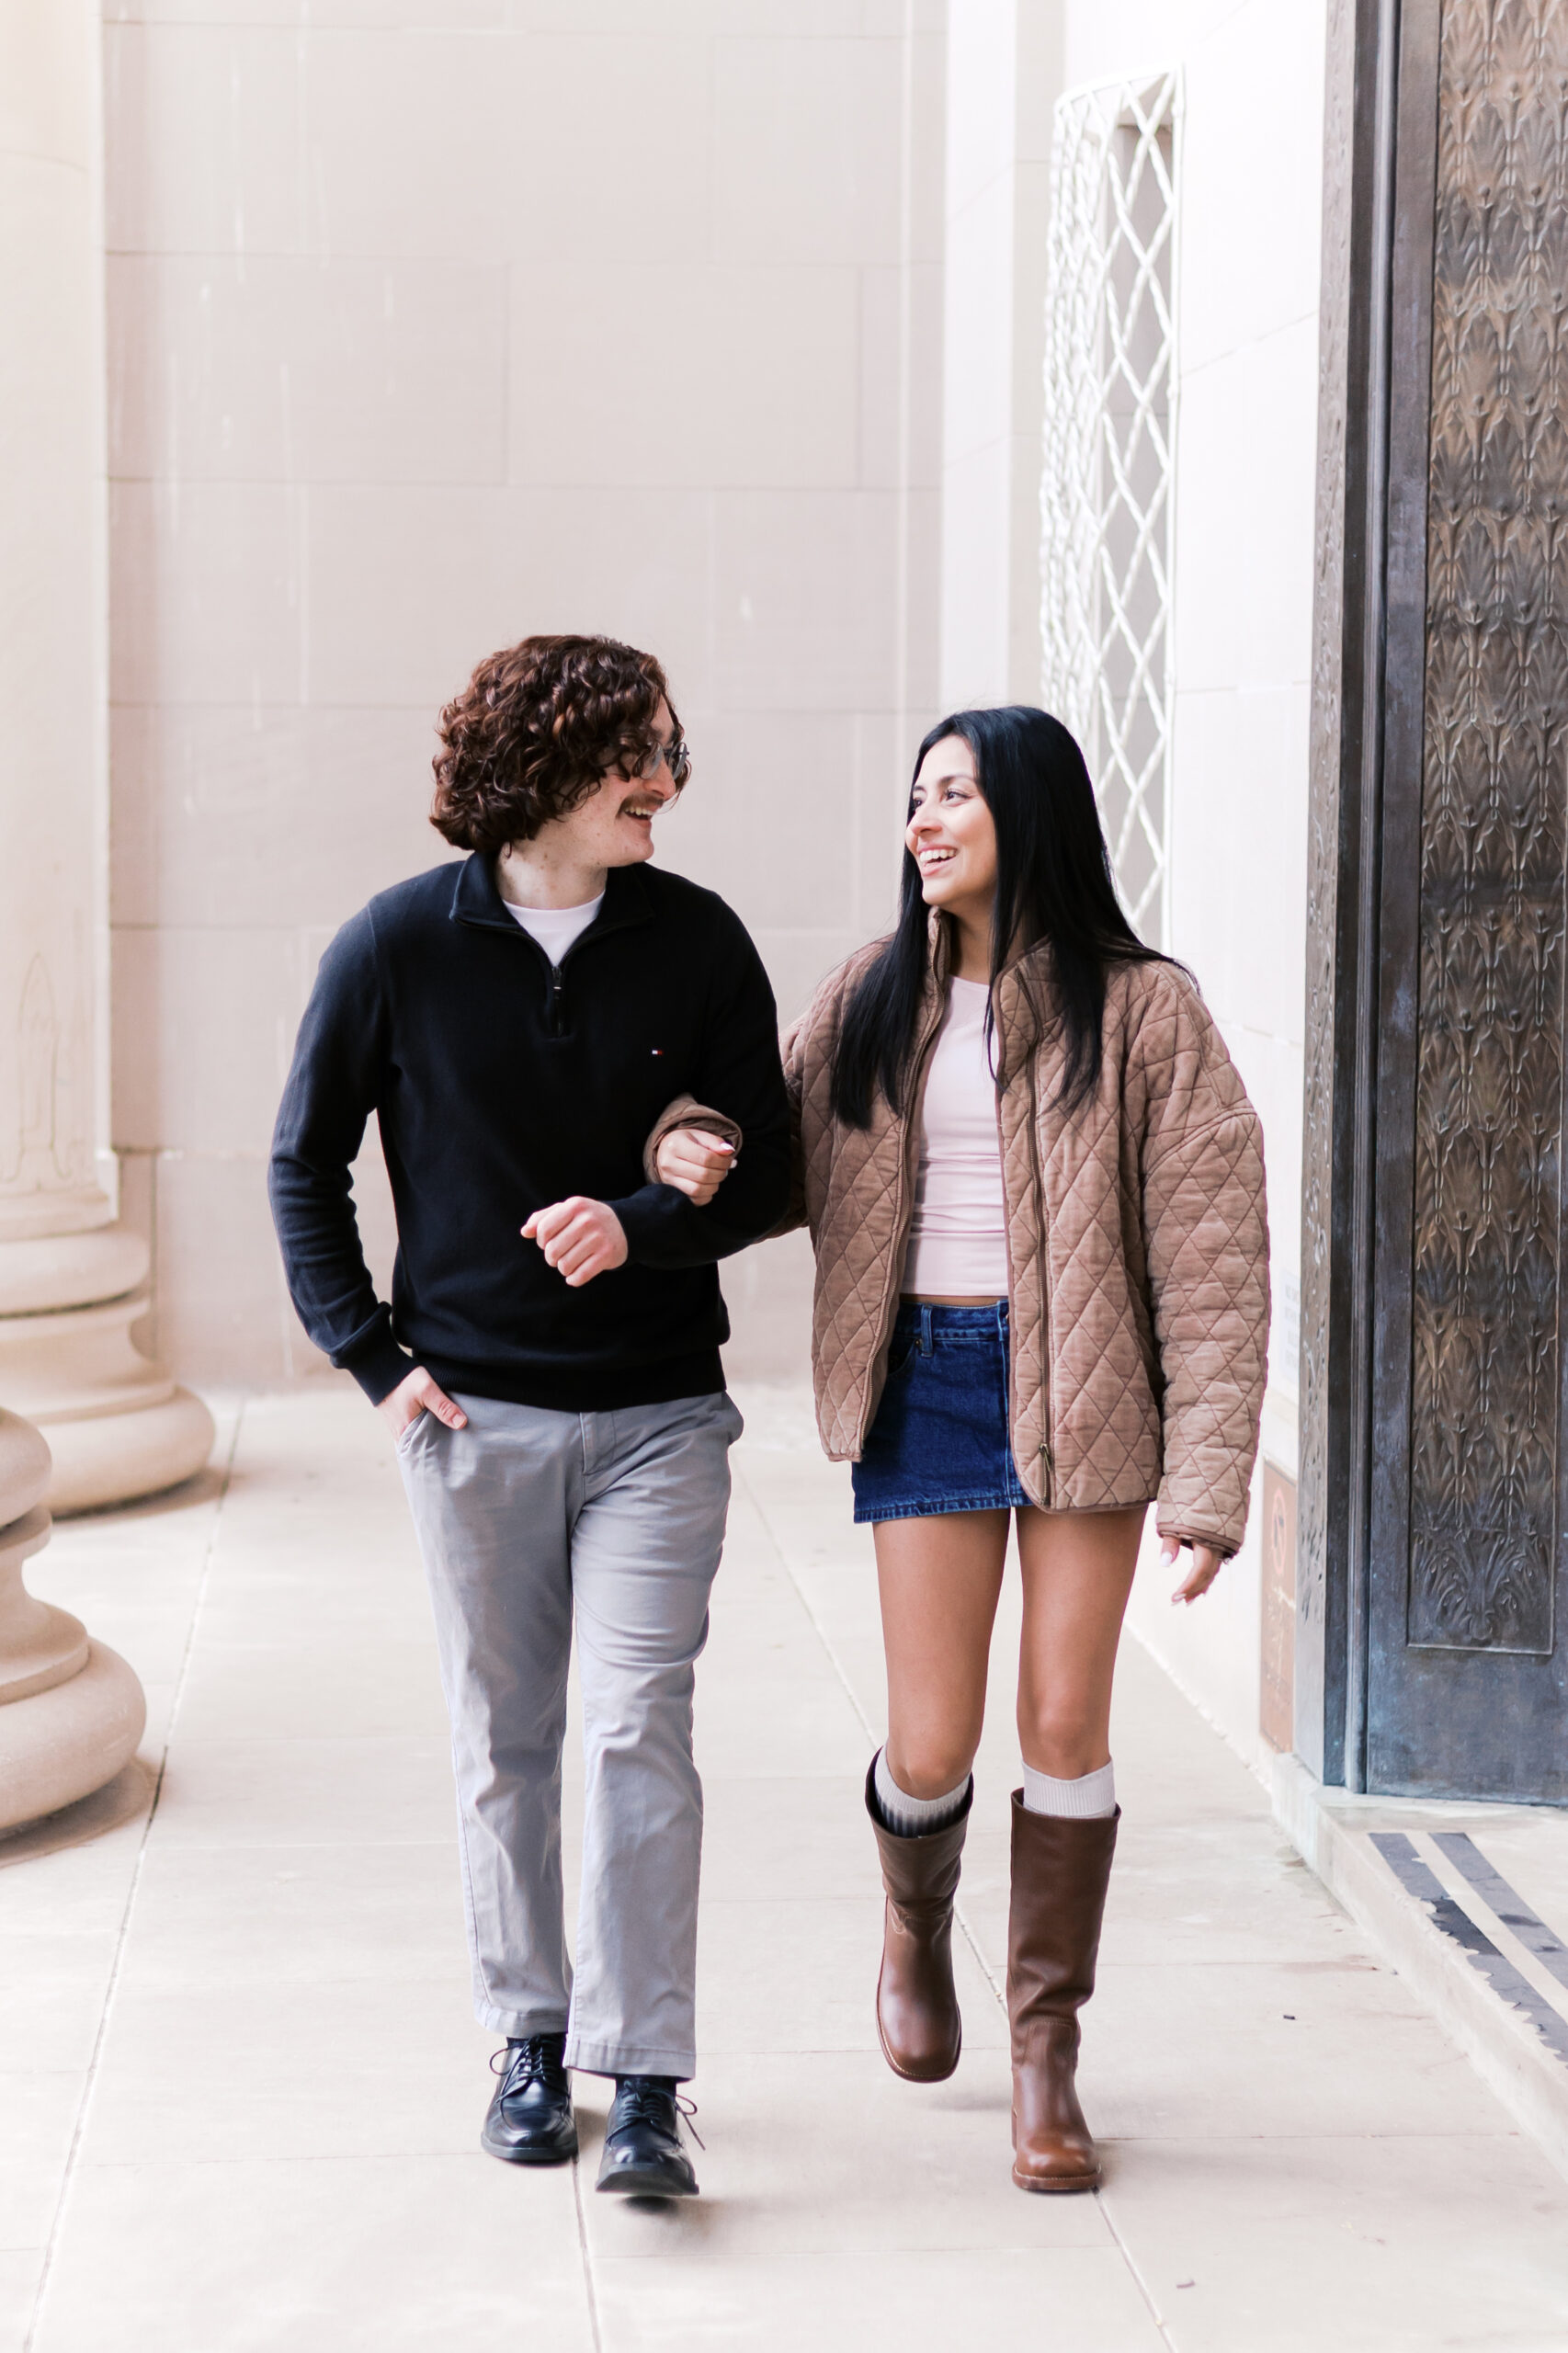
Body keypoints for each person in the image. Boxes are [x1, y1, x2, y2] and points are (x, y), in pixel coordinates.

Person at [654, 705, 1268, 2193]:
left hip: (1084, 1396)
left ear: (1029, 814)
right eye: (914, 797)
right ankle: (914, 1922)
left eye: (952, 796)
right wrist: (683, 1139)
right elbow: (761, 1157)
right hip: (922, 1380)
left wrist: (1206, 1480)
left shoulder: (1145, 1010)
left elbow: (1210, 1254)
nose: (921, 822)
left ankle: (1045, 2056)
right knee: (930, 1744)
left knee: (1065, 1728)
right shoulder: (868, 995)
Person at [269, 632, 790, 2200]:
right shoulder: (394, 946)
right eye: (644, 752)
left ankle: (643, 2081)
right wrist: (370, 1356)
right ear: (546, 765)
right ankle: (527, 2037)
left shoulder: (696, 941)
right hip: (471, 1419)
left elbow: (771, 1173)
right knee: (505, 1742)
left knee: (639, 1730)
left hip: (656, 1422)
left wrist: (647, 1216)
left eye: (676, 751)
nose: (671, 783)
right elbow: (303, 1161)